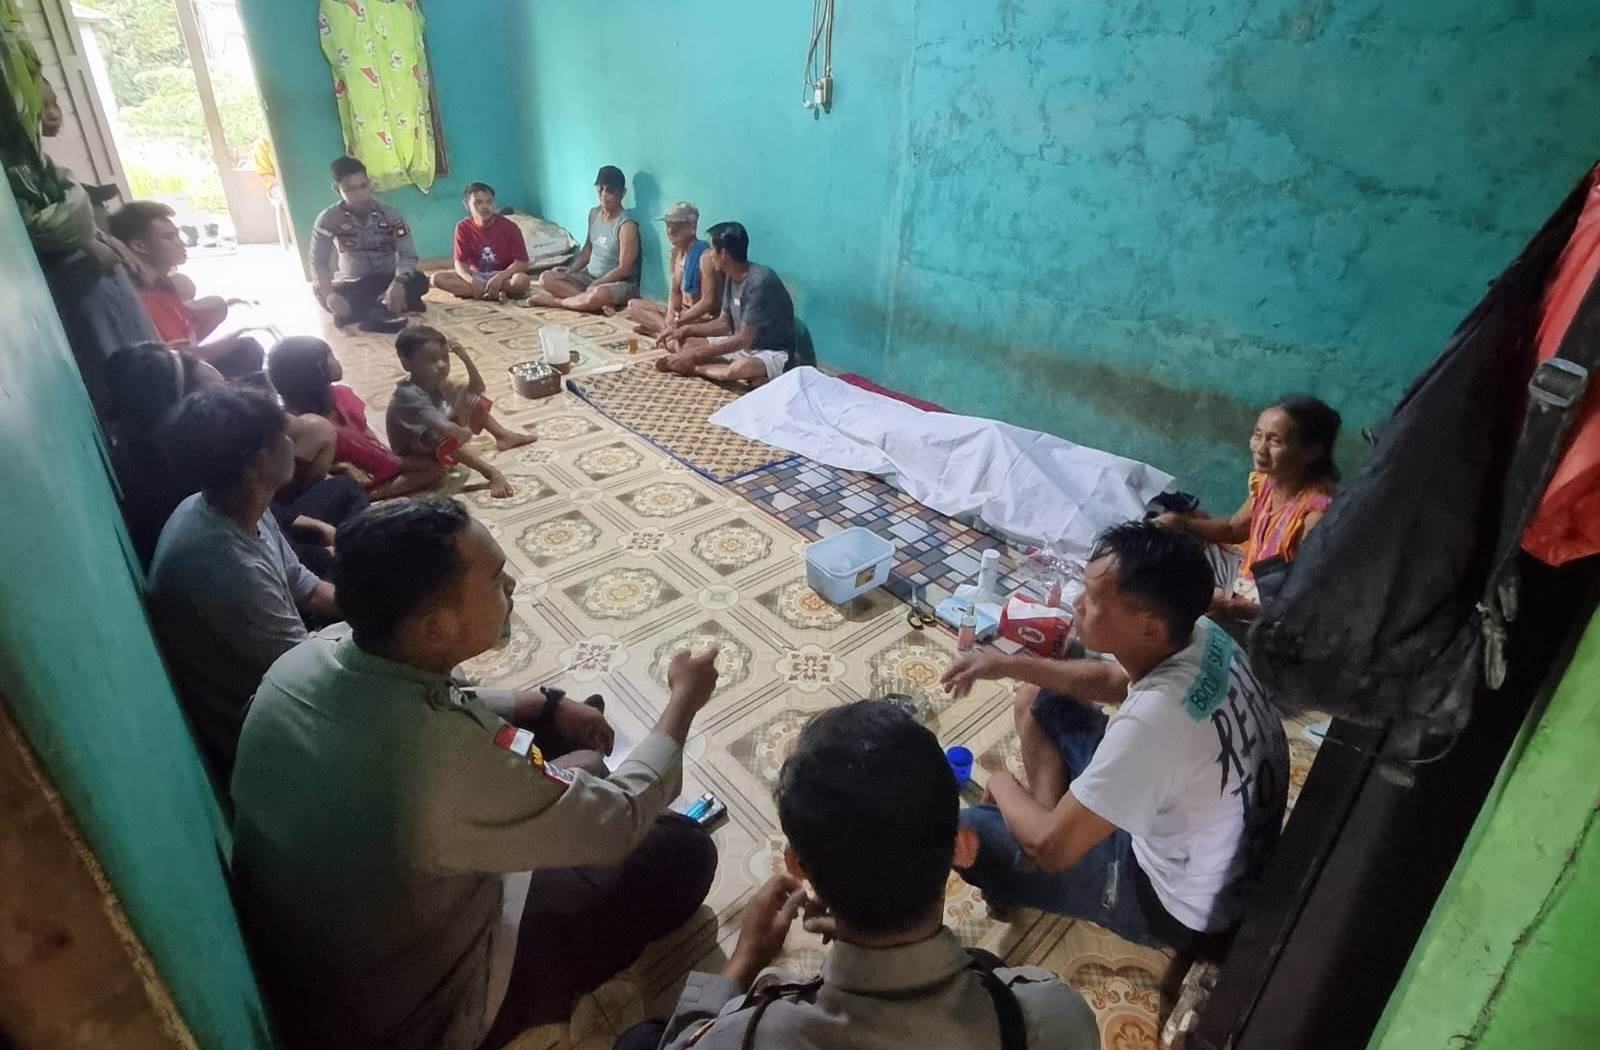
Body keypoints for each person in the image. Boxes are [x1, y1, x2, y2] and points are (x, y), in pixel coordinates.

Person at [230, 497, 721, 1050]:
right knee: (683, 852)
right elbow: (619, 821)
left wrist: (545, 703)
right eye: (495, 580)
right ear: (438, 625)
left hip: (337, 955)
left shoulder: (305, 660)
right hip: (420, 1012)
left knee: (580, 759)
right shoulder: (436, 758)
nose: (511, 587)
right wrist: (684, 699)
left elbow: (439, 696)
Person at [615, 700, 1100, 1050]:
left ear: (796, 866)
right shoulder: (1051, 1013)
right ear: (963, 846)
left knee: (640, 1041)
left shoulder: (748, 1032)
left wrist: (744, 960)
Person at [940, 521, 1288, 956]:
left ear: (1148, 626)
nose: (1077, 602)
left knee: (966, 834)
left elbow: (1049, 849)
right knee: (1037, 698)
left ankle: (1036, 848)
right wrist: (1003, 664)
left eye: (1094, 599)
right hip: (1212, 839)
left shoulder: (1154, 721)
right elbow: (1109, 679)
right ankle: (1053, 818)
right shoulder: (1202, 635)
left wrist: (1001, 784)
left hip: (1175, 903)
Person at [146, 387, 339, 781]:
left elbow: (309, 588)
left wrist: (386, 601)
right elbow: (312, 679)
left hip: (287, 681)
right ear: (256, 464)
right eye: (284, 437)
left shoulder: (230, 505)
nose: (293, 442)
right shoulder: (226, 568)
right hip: (269, 736)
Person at [1157, 395, 1341, 620]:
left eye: (1275, 441)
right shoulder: (1268, 482)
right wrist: (1181, 523)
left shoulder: (1317, 514)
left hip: (1268, 612)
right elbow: (1235, 529)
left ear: (1311, 452)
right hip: (1244, 582)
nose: (1260, 448)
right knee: (1172, 543)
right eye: (1257, 435)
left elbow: (1301, 603)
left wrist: (1231, 608)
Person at [269, 335, 446, 499]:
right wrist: (341, 467)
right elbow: (302, 471)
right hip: (346, 475)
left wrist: (384, 453)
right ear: (320, 368)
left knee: (434, 465)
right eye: (331, 356)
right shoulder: (303, 423)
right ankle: (371, 494)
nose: (337, 361)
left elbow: (364, 428)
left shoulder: (341, 394)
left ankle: (374, 485)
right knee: (431, 470)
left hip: (369, 458)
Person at [107, 200, 266, 380]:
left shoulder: (164, 285)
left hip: (186, 357)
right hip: (181, 377)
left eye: (177, 235)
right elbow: (183, 360)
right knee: (247, 348)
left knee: (217, 306)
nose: (180, 243)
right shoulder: (144, 300)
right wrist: (240, 333)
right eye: (168, 237)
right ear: (139, 246)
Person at [385, 325, 535, 499]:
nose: (442, 365)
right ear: (407, 363)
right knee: (438, 460)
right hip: (410, 454)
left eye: (445, 358)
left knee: (470, 399)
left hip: (432, 437)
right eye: (432, 360)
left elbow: (477, 389)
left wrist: (465, 358)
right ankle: (491, 473)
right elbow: (442, 427)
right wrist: (460, 431)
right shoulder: (409, 395)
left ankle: (503, 436)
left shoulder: (435, 381)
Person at [655, 221, 802, 386]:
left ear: (723, 253)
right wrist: (685, 329)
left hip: (770, 352)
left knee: (738, 368)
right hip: (741, 347)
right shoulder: (731, 276)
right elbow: (723, 324)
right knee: (682, 343)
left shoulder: (760, 281)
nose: (709, 254)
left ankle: (696, 368)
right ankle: (732, 373)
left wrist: (694, 357)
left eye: (711, 249)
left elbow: (743, 339)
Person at [310, 155, 430, 332]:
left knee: (419, 281)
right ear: (337, 189)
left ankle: (370, 313)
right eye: (350, 189)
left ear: (369, 183)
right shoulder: (328, 220)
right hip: (354, 283)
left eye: (363, 186)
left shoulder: (391, 214)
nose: (359, 194)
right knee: (324, 294)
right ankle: (386, 308)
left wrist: (397, 282)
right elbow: (318, 262)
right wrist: (330, 295)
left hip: (388, 278)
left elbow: (408, 255)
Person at [522, 164, 640, 312]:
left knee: (597, 294)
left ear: (622, 194)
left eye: (610, 191)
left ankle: (558, 302)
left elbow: (625, 269)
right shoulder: (594, 214)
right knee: (546, 278)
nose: (604, 195)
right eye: (600, 189)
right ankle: (592, 303)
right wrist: (572, 270)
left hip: (616, 283)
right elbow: (588, 248)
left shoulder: (626, 226)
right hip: (589, 277)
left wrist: (598, 283)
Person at [624, 201, 722, 337]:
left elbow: (708, 302)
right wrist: (671, 314)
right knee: (633, 306)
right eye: (668, 225)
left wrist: (680, 319)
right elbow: (674, 292)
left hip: (701, 318)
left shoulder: (705, 257)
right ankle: (665, 330)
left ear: (692, 227)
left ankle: (664, 332)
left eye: (677, 226)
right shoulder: (677, 254)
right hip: (682, 314)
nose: (670, 231)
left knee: (685, 343)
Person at [432, 181, 530, 301]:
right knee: (437, 279)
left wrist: (501, 276)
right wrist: (471, 280)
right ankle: (495, 293)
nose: (485, 206)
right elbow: (460, 262)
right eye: (478, 202)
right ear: (466, 204)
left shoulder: (510, 227)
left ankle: (479, 293)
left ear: (494, 203)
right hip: (477, 275)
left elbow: (522, 262)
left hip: (504, 276)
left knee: (521, 281)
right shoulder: (463, 227)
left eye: (489, 202)